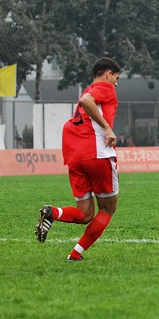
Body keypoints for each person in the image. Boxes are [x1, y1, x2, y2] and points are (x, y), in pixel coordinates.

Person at [35, 57, 121, 261]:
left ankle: (52, 212)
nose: (116, 84)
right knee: (108, 208)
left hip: (75, 157)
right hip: (97, 154)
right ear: (108, 74)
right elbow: (86, 101)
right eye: (116, 78)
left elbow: (85, 101)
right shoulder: (104, 88)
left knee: (85, 214)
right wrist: (107, 128)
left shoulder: (88, 90)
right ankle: (75, 255)